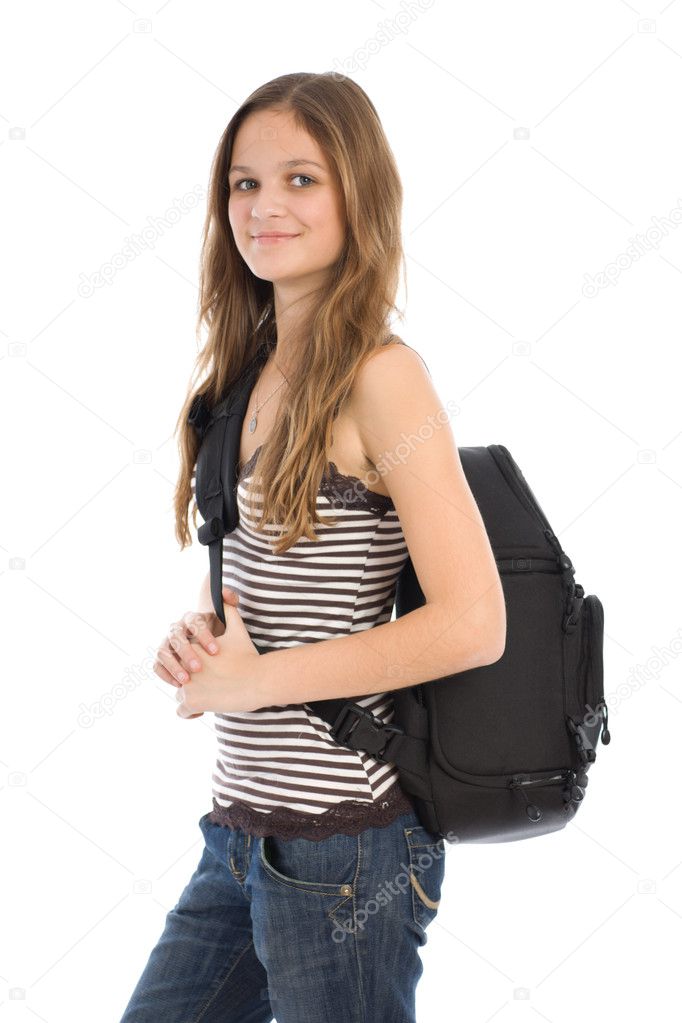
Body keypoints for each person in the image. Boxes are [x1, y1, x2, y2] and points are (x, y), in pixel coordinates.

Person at [120, 71, 505, 1023]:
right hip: (238, 835)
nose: (264, 206)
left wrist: (257, 681)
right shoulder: (244, 380)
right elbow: (293, 593)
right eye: (244, 183)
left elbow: (473, 622)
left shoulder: (382, 378)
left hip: (349, 849)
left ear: (357, 195)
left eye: (301, 179)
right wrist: (211, 640)